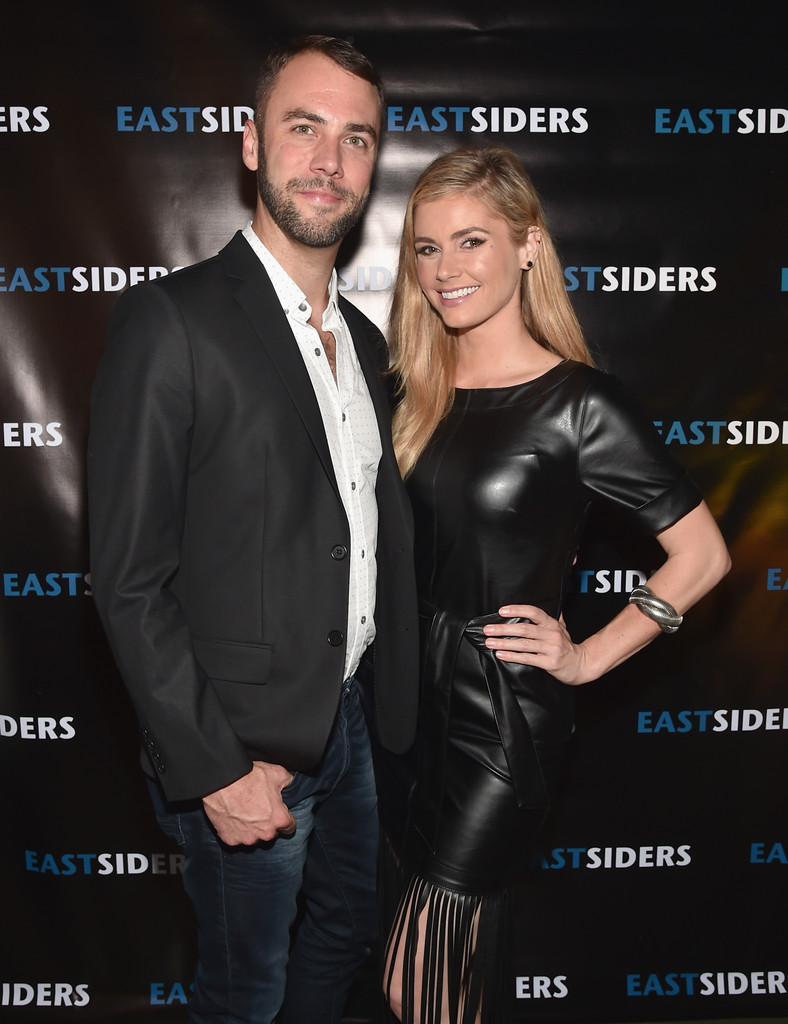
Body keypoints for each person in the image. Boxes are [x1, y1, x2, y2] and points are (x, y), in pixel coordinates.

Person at [87, 35, 419, 1024]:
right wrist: (216, 770)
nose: (329, 158)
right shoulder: (171, 322)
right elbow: (128, 578)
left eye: (355, 138)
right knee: (245, 992)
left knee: (345, 936)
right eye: (304, 127)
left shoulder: (364, 343)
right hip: (238, 747)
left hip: (351, 722)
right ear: (249, 144)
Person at [379, 147, 731, 1024]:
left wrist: (585, 656)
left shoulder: (580, 404)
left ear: (528, 245)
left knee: (415, 980)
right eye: (426, 249)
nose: (446, 270)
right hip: (398, 716)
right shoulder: (408, 386)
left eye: (471, 242)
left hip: (500, 721)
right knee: (459, 977)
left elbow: (704, 556)